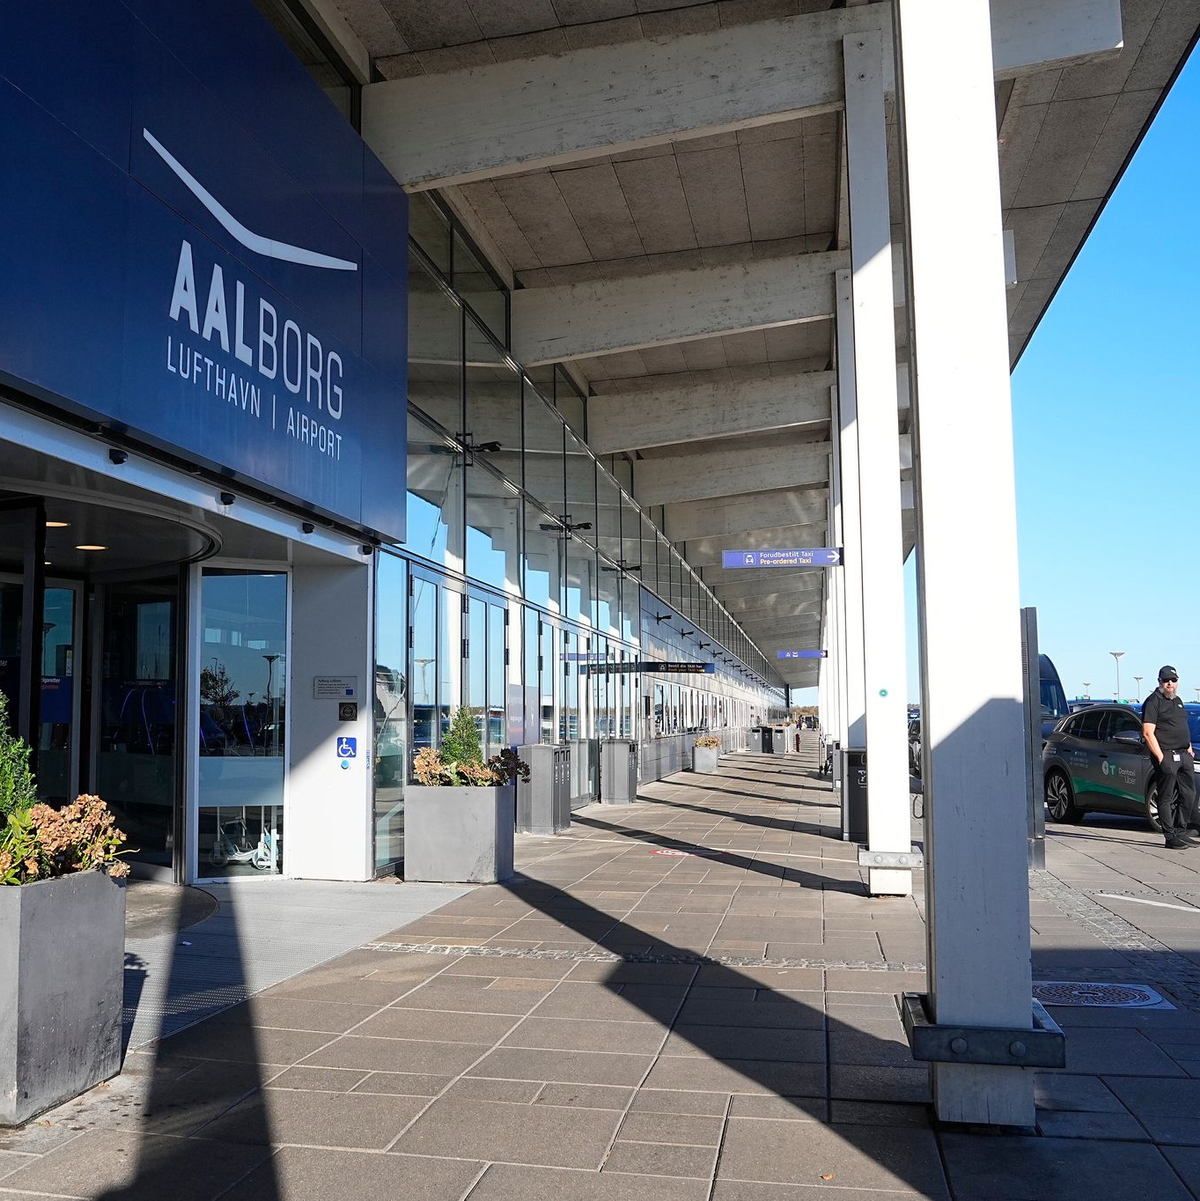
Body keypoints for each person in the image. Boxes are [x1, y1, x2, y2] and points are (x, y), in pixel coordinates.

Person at [1142, 666, 1197, 849]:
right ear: (1160, 682)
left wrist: (1189, 747)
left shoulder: (1178, 701)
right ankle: (1170, 836)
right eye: (1166, 680)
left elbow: (1181, 726)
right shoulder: (1153, 702)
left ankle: (1181, 831)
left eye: (1173, 680)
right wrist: (1160, 757)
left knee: (1188, 794)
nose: (1170, 683)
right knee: (1165, 797)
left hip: (1184, 755)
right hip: (1166, 755)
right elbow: (1148, 733)